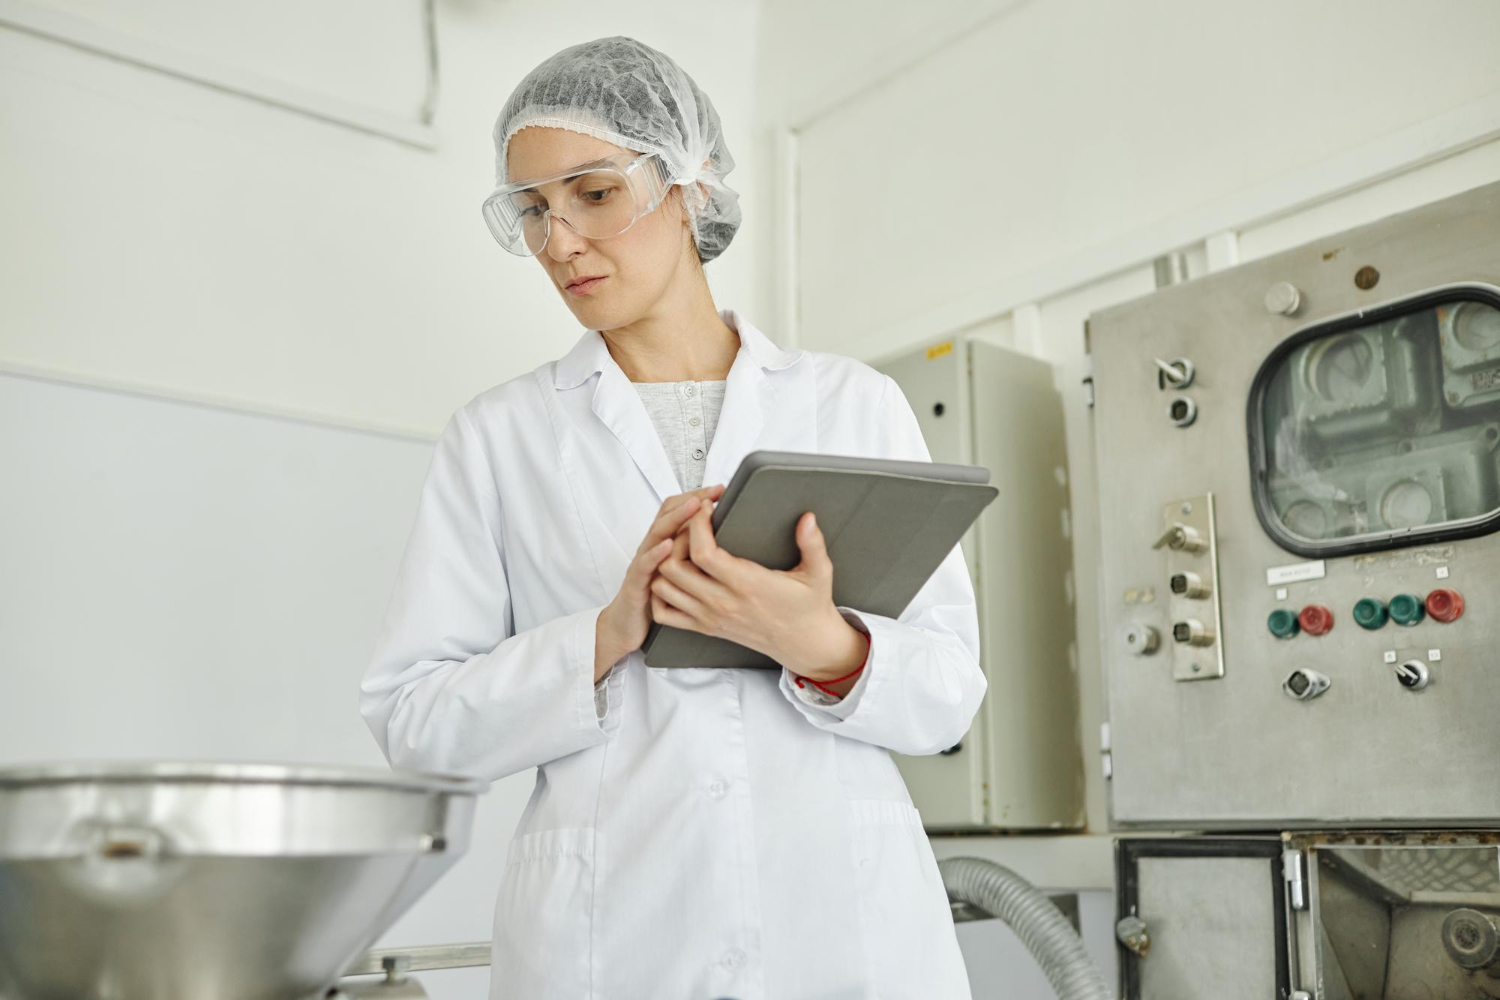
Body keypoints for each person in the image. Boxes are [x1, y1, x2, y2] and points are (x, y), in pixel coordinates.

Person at [358, 35, 987, 1000]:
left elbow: (947, 692)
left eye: (594, 194)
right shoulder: (499, 436)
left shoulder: (850, 404)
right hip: (616, 941)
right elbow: (415, 718)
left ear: (691, 186)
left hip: (840, 934)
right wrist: (605, 637)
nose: (559, 241)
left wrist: (823, 643)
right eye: (533, 211)